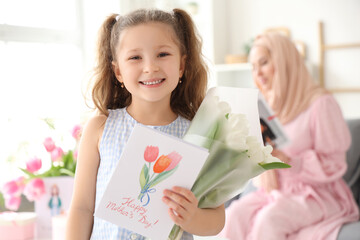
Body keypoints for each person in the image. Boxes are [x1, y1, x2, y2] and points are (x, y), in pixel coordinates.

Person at [66, 8, 225, 240]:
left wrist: (193, 218)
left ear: (182, 65)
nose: (150, 67)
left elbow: (217, 220)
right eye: (135, 57)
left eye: (162, 54)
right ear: (118, 71)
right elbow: (81, 208)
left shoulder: (199, 133)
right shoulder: (100, 128)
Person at [218, 33, 359, 239]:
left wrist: (291, 160)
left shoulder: (321, 104)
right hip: (276, 192)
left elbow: (335, 163)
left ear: (284, 62)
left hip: (317, 195)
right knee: (233, 216)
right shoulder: (270, 108)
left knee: (268, 222)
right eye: (253, 67)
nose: (258, 74)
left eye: (264, 63)